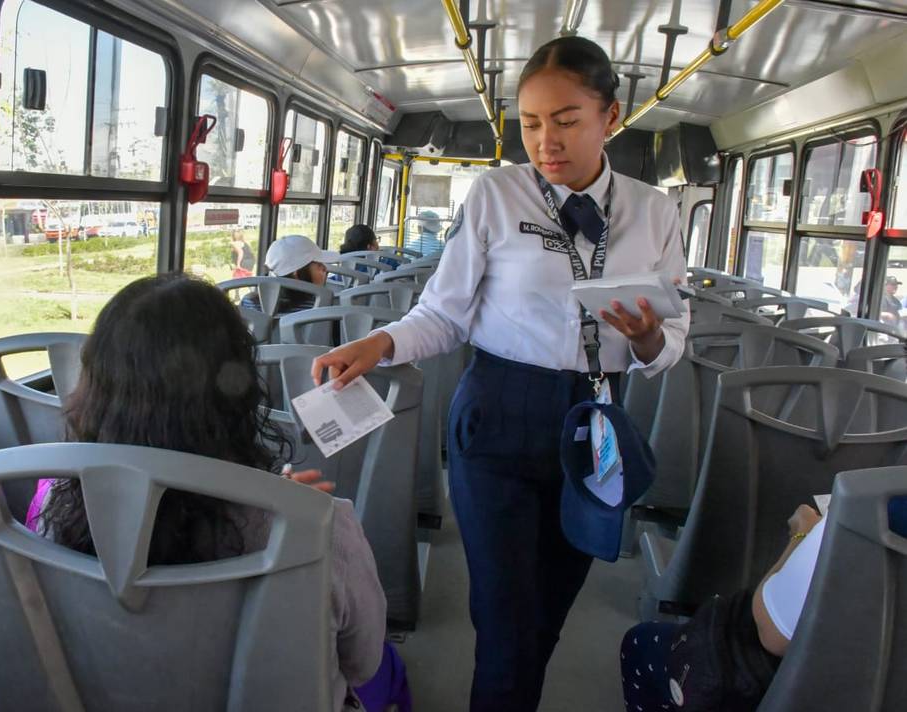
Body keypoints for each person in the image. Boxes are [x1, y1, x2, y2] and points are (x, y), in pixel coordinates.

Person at [311, 35, 689, 711]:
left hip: (595, 424)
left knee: (546, 616)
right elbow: (445, 314)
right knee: (505, 622)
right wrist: (380, 345)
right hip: (497, 420)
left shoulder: (655, 214)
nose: (546, 140)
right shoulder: (495, 194)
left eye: (567, 120)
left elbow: (671, 348)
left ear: (611, 114)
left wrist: (651, 336)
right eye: (532, 122)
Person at [25, 275, 410, 712]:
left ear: (93, 383)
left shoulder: (51, 504)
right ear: (239, 391)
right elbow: (364, 661)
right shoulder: (321, 526)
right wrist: (278, 510)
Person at [620, 499, 907, 711]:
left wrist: (803, 534)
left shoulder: (873, 506)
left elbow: (772, 633)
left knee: (639, 643)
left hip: (800, 687)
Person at [240, 234, 336, 314]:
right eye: (319, 265)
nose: (325, 268)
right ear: (297, 274)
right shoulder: (323, 307)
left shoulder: (249, 303)